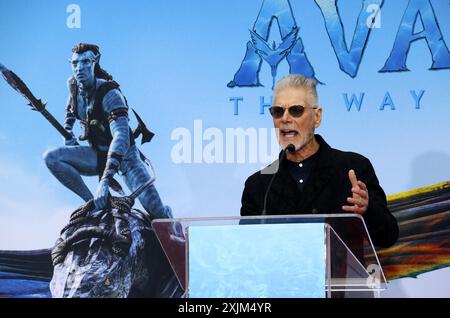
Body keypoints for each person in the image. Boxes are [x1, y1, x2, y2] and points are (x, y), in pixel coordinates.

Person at [240, 74, 398, 248]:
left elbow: (388, 237)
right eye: (278, 111)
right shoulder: (259, 185)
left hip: (337, 275)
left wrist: (367, 211)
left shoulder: (353, 167)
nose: (284, 119)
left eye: (296, 110)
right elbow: (247, 251)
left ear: (317, 117)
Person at [44, 43, 172, 219]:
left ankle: (169, 220)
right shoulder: (73, 86)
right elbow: (70, 110)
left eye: (85, 62)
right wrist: (68, 132)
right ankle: (93, 204)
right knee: (51, 158)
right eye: (75, 63)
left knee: (159, 216)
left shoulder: (110, 93)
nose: (79, 68)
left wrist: (104, 181)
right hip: (97, 154)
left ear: (94, 62)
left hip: (126, 157)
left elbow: (121, 136)